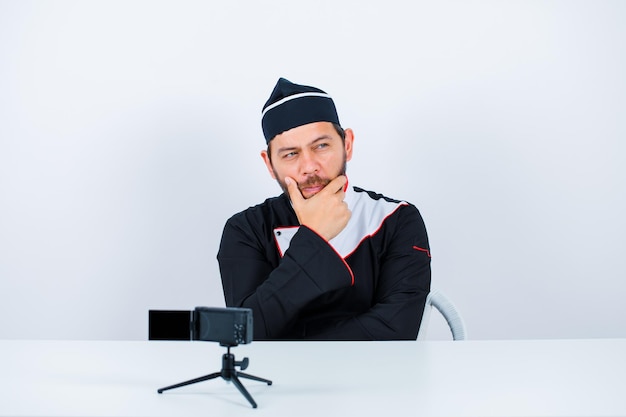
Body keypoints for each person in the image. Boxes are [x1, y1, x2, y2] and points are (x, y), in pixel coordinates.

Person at [217, 78, 431, 340]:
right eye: (290, 154)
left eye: (321, 146)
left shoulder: (396, 219)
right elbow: (245, 331)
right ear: (270, 164)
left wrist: (290, 340)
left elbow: (396, 330)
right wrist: (314, 236)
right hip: (279, 381)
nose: (309, 166)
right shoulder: (245, 229)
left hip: (376, 378)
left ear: (347, 144)